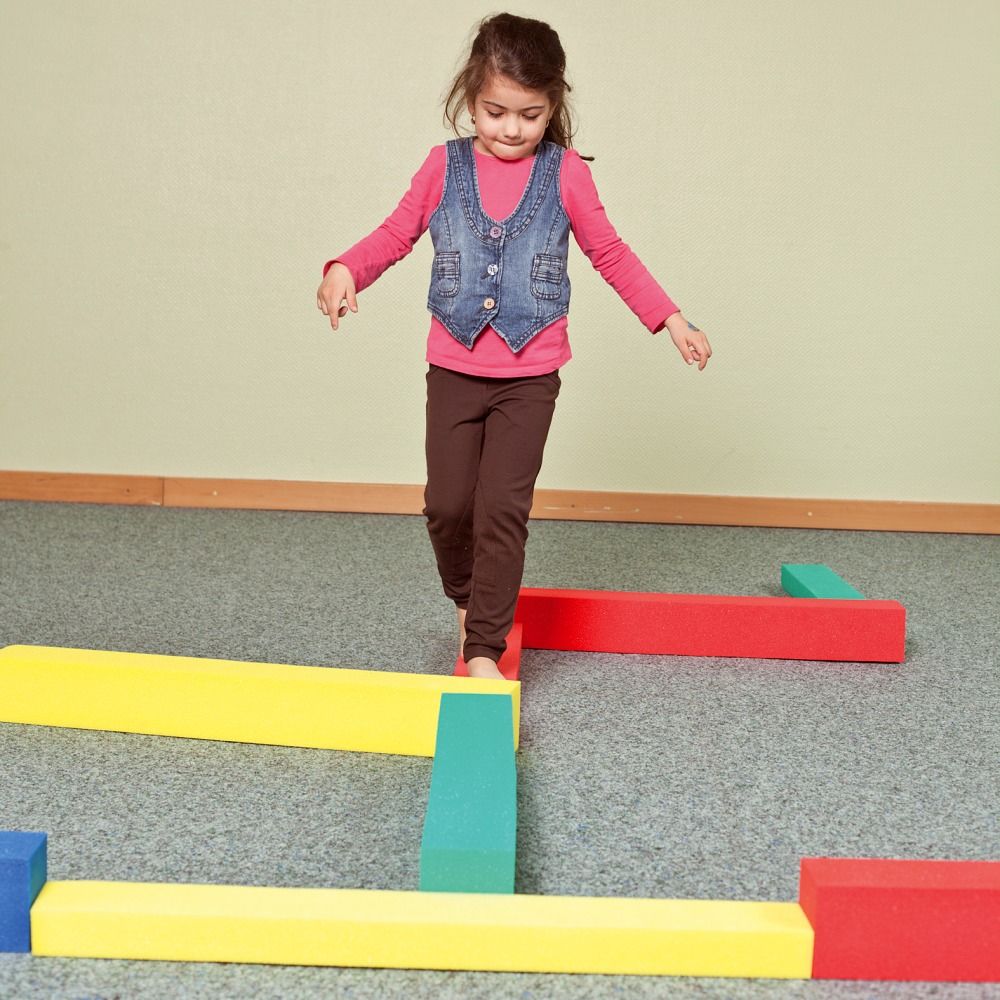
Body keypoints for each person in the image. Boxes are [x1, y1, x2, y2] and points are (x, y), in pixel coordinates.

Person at [316, 12, 712, 681]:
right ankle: (468, 600)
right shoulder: (442, 168)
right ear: (470, 98)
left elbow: (610, 254)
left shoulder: (565, 176)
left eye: (530, 115)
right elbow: (395, 232)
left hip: (531, 373)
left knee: (502, 508)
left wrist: (670, 317)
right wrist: (346, 268)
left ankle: (483, 650)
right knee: (447, 507)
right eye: (495, 112)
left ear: (553, 105)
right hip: (453, 366)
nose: (511, 129)